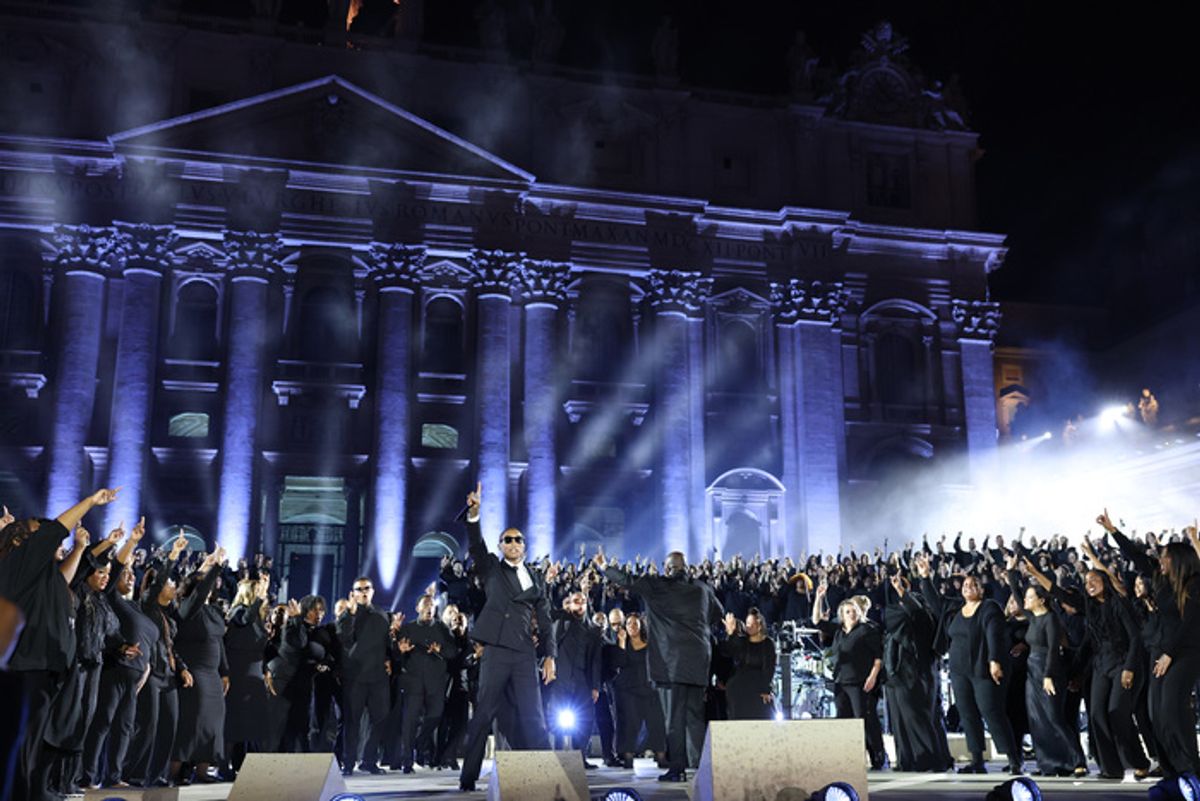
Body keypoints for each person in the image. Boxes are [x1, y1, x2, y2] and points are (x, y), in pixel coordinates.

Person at [0, 487, 119, 801]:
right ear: (19, 540)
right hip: (27, 666)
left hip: (47, 667)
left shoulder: (43, 574)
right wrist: (91, 502)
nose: (52, 537)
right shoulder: (19, 561)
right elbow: (55, 529)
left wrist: (82, 547)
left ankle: (31, 792)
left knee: (35, 742)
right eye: (37, 529)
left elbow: (70, 573)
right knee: (22, 743)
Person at [458, 482, 557, 793]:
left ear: (525, 545)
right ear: (501, 546)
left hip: (525, 653)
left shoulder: (536, 578)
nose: (513, 543)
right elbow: (475, 545)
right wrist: (474, 515)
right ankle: (468, 776)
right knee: (484, 713)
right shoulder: (491, 569)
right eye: (507, 540)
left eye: (518, 539)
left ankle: (541, 772)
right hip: (497, 649)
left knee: (534, 716)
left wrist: (550, 655)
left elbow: (546, 619)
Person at [600, 547, 723, 782]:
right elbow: (718, 613)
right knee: (695, 718)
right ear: (685, 568)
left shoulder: (658, 586)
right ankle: (701, 769)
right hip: (698, 660)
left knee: (674, 720)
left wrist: (605, 566)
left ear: (667, 568)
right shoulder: (703, 588)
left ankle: (677, 770)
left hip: (671, 663)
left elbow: (628, 581)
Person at [1024, 551, 1149, 779]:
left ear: (1104, 582)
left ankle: (1139, 761)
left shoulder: (1119, 604)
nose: (1089, 585)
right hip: (1101, 665)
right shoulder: (1088, 607)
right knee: (1096, 716)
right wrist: (1035, 573)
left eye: (1094, 580)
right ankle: (1111, 769)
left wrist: (1130, 668)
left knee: (1117, 713)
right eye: (1086, 582)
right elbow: (1058, 593)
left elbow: (1136, 639)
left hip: (1124, 664)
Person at [915, 552, 1021, 774]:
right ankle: (976, 760)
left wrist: (994, 661)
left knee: (992, 711)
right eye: (965, 584)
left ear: (981, 590)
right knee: (967, 713)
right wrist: (925, 576)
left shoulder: (989, 607)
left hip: (983, 669)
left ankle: (1013, 758)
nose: (968, 587)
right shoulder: (954, 608)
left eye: (973, 584)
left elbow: (994, 635)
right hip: (959, 670)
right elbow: (935, 601)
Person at [881, 573, 952, 772]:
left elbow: (919, 615)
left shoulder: (923, 611)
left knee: (918, 716)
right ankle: (907, 759)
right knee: (899, 719)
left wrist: (903, 593)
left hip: (917, 671)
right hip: (896, 673)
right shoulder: (894, 613)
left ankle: (928, 759)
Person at [813, 580, 886, 769]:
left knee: (863, 720)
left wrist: (872, 676)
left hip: (861, 682)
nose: (851, 614)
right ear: (842, 615)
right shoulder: (838, 631)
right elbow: (816, 621)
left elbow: (879, 657)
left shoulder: (867, 629)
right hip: (841, 681)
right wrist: (819, 598)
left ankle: (877, 757)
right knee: (843, 719)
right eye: (848, 611)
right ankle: (848, 757)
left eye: (854, 611)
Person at [393, 594, 458, 773]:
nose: (430, 608)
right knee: (410, 721)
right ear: (418, 608)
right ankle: (407, 761)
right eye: (426, 605)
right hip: (413, 682)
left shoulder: (442, 628)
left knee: (435, 716)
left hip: (435, 683)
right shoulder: (407, 629)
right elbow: (394, 654)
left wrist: (441, 650)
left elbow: (453, 652)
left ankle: (418, 743)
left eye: (432, 606)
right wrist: (400, 651)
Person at [337, 576, 391, 775]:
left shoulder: (381, 614)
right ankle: (349, 763)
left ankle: (368, 760)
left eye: (367, 588)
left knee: (381, 718)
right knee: (352, 721)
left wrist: (390, 658)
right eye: (359, 589)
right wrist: (350, 614)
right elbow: (342, 638)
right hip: (355, 677)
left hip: (378, 676)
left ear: (373, 591)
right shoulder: (347, 615)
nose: (363, 592)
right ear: (353, 593)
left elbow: (386, 642)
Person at [223, 574, 270, 777]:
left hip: (254, 673)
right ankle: (224, 766)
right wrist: (260, 596)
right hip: (239, 672)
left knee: (250, 723)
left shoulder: (257, 617)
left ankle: (243, 765)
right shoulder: (238, 612)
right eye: (257, 591)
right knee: (235, 722)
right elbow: (244, 619)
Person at [267, 595, 328, 753]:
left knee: (301, 726)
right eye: (315, 610)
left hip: (304, 685)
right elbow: (298, 645)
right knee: (280, 727)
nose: (319, 614)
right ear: (305, 611)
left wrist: (323, 664)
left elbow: (324, 653)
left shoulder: (320, 631)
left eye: (321, 610)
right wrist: (295, 620)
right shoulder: (292, 627)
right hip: (285, 683)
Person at [548, 590, 602, 767]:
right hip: (561, 677)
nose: (579, 604)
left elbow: (595, 660)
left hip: (582, 679)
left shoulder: (593, 630)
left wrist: (595, 686)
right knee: (556, 717)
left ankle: (580, 757)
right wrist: (549, 583)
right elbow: (548, 610)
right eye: (575, 601)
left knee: (585, 718)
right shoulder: (562, 621)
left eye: (583, 601)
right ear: (569, 604)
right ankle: (557, 755)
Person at [610, 613, 666, 768]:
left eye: (635, 624)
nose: (632, 627)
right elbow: (619, 663)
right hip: (629, 690)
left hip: (649, 689)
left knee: (656, 723)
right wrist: (621, 642)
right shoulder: (623, 645)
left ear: (641, 626)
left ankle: (661, 756)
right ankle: (628, 758)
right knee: (630, 724)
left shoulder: (650, 645)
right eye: (628, 624)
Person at [719, 608, 775, 720]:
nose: (749, 627)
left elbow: (769, 667)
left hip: (757, 687)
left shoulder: (768, 643)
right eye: (747, 624)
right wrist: (730, 633)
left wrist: (765, 689)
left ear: (759, 625)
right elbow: (727, 650)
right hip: (739, 687)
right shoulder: (742, 641)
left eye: (752, 624)